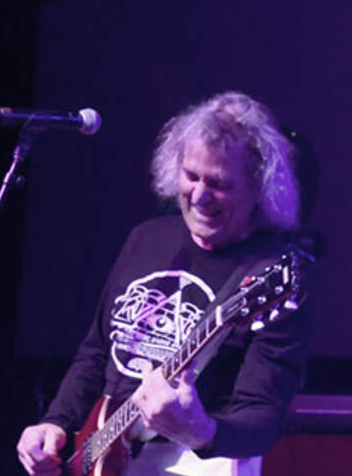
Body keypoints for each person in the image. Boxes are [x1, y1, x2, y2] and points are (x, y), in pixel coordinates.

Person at [16, 91, 311, 475]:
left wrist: (201, 430)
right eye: (191, 176)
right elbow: (98, 351)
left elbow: (264, 416)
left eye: (219, 183)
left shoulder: (271, 274)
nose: (199, 195)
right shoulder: (146, 238)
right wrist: (56, 422)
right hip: (106, 450)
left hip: (199, 459)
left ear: (259, 187)